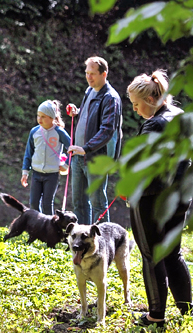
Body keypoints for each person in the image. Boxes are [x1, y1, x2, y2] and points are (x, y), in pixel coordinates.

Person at [126, 70, 193, 329]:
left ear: (151, 100)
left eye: (136, 103)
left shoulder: (154, 124)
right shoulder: (179, 116)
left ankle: (156, 315)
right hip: (180, 195)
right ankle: (186, 310)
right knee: (172, 253)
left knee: (151, 254)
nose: (135, 109)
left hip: (151, 198)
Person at [66, 56, 123, 224]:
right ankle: (82, 240)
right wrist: (77, 112)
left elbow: (107, 130)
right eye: (86, 73)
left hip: (95, 158)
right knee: (79, 203)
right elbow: (90, 117)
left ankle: (104, 241)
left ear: (104, 74)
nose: (88, 77)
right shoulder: (89, 91)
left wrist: (87, 148)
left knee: (98, 203)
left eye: (92, 74)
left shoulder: (111, 98)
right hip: (78, 155)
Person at [21, 100, 71, 214]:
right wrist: (25, 172)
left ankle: (50, 229)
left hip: (52, 174)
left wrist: (66, 164)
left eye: (43, 116)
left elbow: (72, 149)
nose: (39, 119)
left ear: (52, 117)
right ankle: (37, 227)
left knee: (47, 204)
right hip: (36, 173)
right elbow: (28, 153)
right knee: (33, 202)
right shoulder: (34, 132)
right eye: (38, 116)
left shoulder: (60, 132)